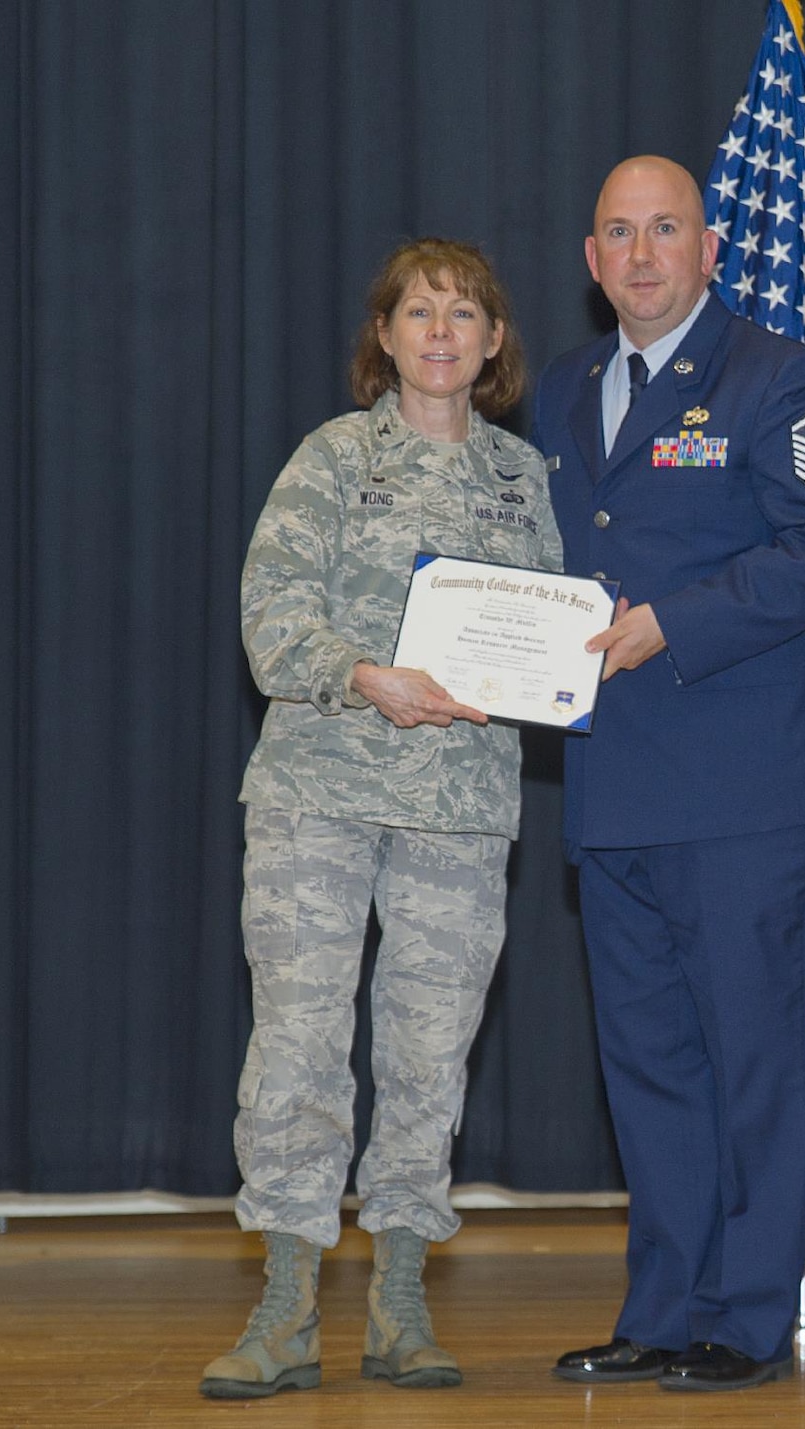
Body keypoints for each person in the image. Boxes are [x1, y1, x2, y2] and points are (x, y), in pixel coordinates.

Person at [532, 156, 805, 1392]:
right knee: (649, 1066)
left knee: (752, 1061)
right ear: (589, 257)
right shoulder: (565, 389)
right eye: (616, 231)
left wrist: (674, 620)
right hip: (610, 786)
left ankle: (740, 1319)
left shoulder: (781, 377)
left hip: (743, 792)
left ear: (709, 245)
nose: (639, 254)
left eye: (663, 229)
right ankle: (663, 1306)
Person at [200, 239, 561, 1399]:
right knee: (299, 1047)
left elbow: (557, 631)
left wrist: (558, 673)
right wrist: (365, 673)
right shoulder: (331, 459)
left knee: (427, 1051)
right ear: (386, 336)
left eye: (465, 313)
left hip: (459, 809)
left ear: (494, 342)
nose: (442, 331)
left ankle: (401, 1296)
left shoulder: (524, 479)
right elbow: (270, 620)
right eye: (419, 312)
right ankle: (287, 1302)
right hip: (318, 794)